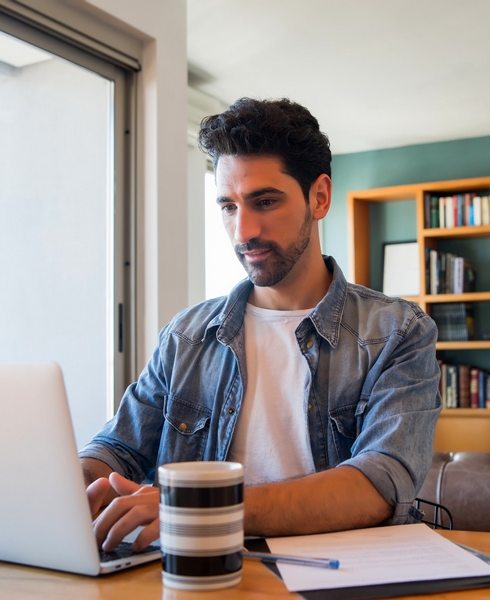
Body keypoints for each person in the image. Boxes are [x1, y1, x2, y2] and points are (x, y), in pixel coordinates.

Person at [79, 98, 442, 553]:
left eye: (264, 201)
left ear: (320, 197)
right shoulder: (186, 335)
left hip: (338, 578)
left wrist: (200, 508)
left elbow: (378, 485)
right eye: (228, 206)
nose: (242, 231)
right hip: (197, 573)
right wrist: (75, 482)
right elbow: (119, 449)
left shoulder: (397, 332)